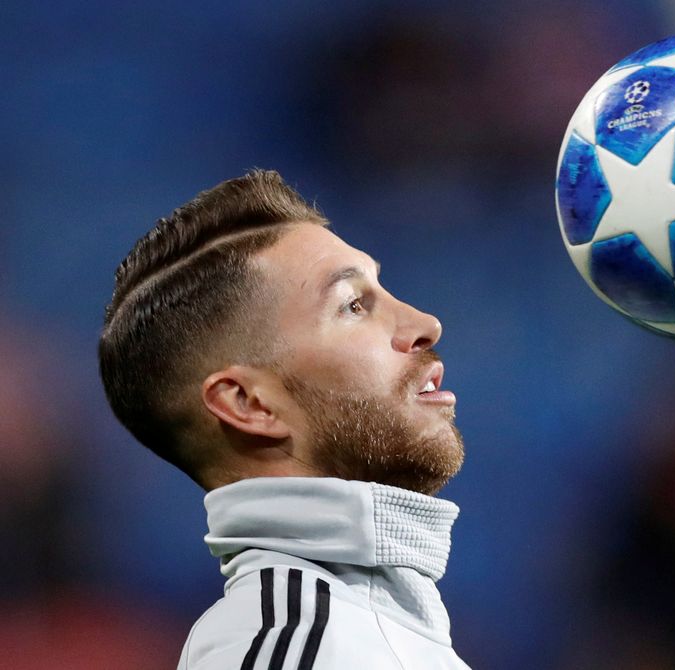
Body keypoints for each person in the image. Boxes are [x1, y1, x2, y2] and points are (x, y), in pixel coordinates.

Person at [98, 170, 469, 669]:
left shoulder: (354, 630)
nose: (425, 325)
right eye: (353, 305)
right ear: (249, 404)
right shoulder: (294, 648)